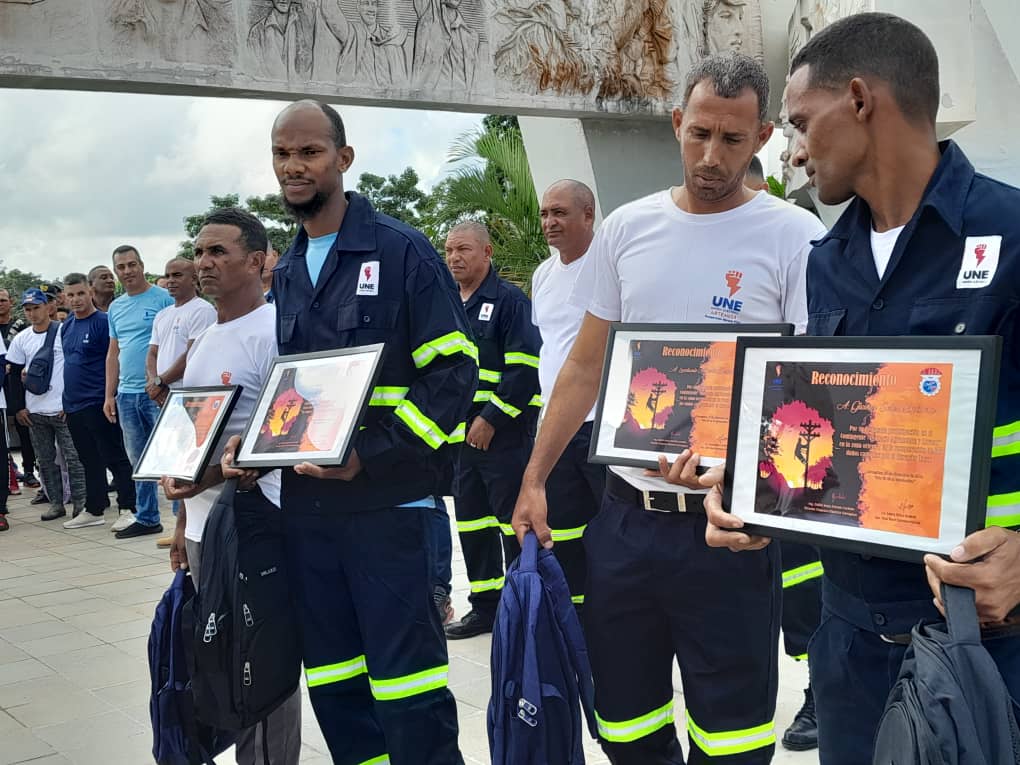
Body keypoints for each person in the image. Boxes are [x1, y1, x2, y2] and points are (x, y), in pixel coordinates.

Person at [705, 14, 1020, 764]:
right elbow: (837, 439)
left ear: (858, 99)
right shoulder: (826, 261)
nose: (793, 149)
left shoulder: (1009, 233)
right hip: (848, 649)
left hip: (986, 646)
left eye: (799, 123)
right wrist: (754, 495)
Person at [511, 53, 826, 764]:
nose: (712, 157)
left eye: (733, 140)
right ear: (678, 123)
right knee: (625, 726)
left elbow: (807, 395)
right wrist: (534, 477)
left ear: (764, 136)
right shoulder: (626, 228)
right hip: (624, 518)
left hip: (726, 534)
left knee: (733, 739)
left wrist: (760, 499)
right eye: (699, 134)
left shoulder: (794, 238)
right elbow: (584, 364)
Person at [221, 100, 471, 764]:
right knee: (336, 687)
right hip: (309, 515)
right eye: (282, 154)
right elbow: (301, 394)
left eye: (308, 152)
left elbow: (454, 373)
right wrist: (256, 453)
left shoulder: (401, 249)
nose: (293, 166)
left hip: (388, 510)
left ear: (343, 158)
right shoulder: (291, 271)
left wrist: (372, 454)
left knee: (408, 691)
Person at [165, 207, 302, 765]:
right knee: (219, 655)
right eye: (199, 252)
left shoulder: (274, 331)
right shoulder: (203, 339)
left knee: (259, 661)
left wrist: (216, 475)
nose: (204, 263)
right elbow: (188, 439)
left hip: (254, 525)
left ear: (258, 261)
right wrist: (180, 523)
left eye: (218, 252)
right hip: (203, 529)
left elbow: (289, 430)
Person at [742, 160, 822, 752]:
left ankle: (818, 687)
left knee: (802, 580)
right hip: (725, 457)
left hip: (790, 447)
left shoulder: (796, 233)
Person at [442, 221, 542, 640]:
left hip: (503, 436)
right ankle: (486, 607)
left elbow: (524, 371)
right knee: (472, 523)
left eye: (463, 248)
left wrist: (490, 419)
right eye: (448, 250)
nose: (454, 258)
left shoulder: (509, 302)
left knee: (510, 524)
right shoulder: (446, 304)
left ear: (487, 252)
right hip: (460, 439)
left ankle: (524, 609)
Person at [530, 178, 605, 610]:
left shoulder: (608, 265)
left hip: (600, 424)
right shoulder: (543, 275)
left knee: (609, 530)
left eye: (559, 212)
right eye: (544, 213)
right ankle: (573, 620)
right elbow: (552, 345)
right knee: (564, 530)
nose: (549, 222)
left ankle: (613, 617)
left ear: (588, 215)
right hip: (556, 426)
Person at [104, 245, 173, 539]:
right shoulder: (116, 307)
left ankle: (183, 519)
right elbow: (113, 352)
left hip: (156, 390)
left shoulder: (163, 300)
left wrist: (164, 382)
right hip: (126, 393)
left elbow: (174, 342)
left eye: (132, 264)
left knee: (170, 454)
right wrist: (109, 395)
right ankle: (147, 517)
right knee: (139, 459)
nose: (128, 271)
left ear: (142, 265)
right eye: (121, 267)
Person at [59, 273, 136, 530]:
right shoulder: (67, 325)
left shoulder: (103, 322)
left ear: (90, 291)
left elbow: (115, 358)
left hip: (98, 400)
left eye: (80, 293)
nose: (76, 299)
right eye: (71, 295)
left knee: (114, 455)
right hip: (73, 404)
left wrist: (109, 395)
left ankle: (128, 507)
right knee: (88, 459)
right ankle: (95, 508)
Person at [7, 289, 87, 522]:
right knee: (45, 460)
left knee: (74, 458)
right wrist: (19, 408)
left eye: (37, 308)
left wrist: (72, 400)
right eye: (28, 309)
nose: (32, 313)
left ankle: (81, 505)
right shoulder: (21, 339)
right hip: (35, 411)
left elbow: (76, 367)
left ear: (48, 307)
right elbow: (13, 377)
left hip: (63, 408)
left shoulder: (64, 331)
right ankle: (55, 503)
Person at [146, 258, 216, 401]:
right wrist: (154, 383)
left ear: (194, 279)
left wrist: (160, 382)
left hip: (189, 394)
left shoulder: (202, 310)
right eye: (167, 276)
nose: (170, 281)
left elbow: (193, 355)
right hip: (162, 394)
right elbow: (152, 353)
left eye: (177, 275)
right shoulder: (162, 314)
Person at [0, 288, 37, 490]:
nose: (0, 304)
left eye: (3, 300)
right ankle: (8, 472)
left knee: (25, 427)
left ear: (11, 302)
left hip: (18, 383)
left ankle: (30, 470)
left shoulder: (22, 326)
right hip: (0, 388)